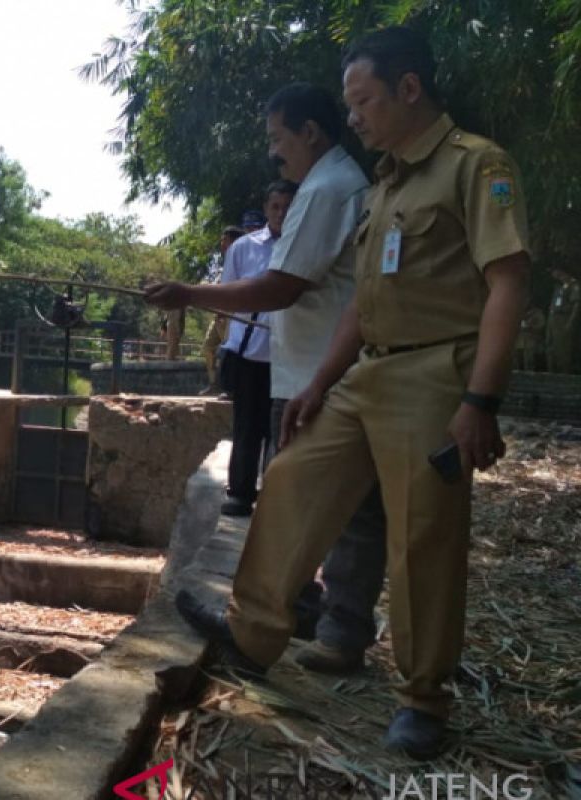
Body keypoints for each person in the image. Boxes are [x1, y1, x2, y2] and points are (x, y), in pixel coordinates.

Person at [172, 27, 532, 758]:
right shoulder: (386, 184)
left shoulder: (475, 165)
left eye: (363, 100)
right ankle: (252, 634)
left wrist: (480, 402)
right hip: (368, 371)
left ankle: (421, 699)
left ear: (409, 89)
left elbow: (508, 281)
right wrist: (322, 383)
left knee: (422, 537)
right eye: (349, 103)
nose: (356, 116)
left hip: (435, 375)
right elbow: (361, 304)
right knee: (294, 480)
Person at [146, 82, 388, 665]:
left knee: (309, 504)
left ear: (309, 132)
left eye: (278, 139)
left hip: (316, 375)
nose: (274, 153)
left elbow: (281, 286)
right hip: (319, 367)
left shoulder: (328, 188)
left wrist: (189, 292)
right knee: (331, 504)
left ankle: (306, 626)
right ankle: (309, 613)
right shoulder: (337, 184)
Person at [211, 184, 295, 516]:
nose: (281, 213)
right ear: (266, 208)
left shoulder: (301, 245)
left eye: (288, 207)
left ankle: (275, 495)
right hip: (248, 352)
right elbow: (229, 294)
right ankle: (241, 493)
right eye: (275, 206)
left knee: (282, 431)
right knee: (246, 426)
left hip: (287, 354)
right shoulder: (244, 248)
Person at [199, 226, 246, 394]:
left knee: (230, 351)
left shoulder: (243, 260)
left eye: (224, 240)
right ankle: (214, 384)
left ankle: (230, 388)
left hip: (232, 316)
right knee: (208, 348)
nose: (222, 244)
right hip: (219, 315)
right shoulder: (225, 261)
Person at [546, 268, 579, 373]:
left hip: (563, 319)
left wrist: (570, 322)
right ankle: (551, 372)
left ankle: (564, 373)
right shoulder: (559, 286)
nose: (554, 275)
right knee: (551, 346)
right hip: (553, 319)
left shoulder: (574, 285)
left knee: (563, 348)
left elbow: (576, 305)